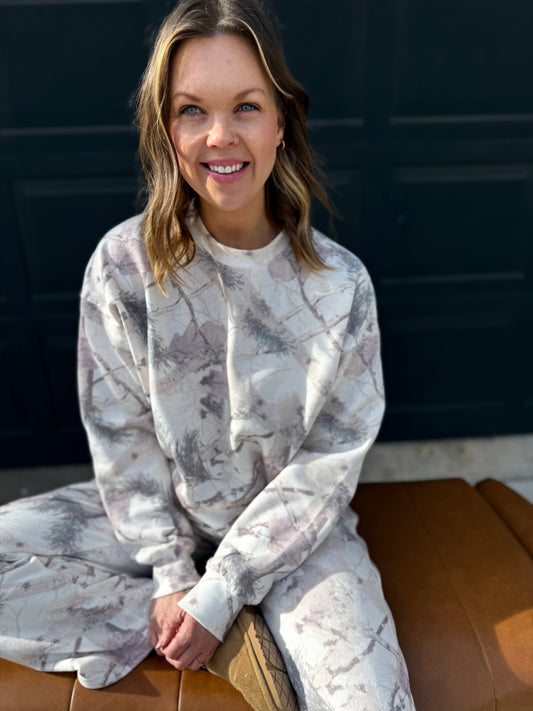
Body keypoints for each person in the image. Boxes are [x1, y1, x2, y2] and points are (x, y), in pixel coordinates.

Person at [0, 1, 415, 708]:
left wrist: (225, 585)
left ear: (281, 123)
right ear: (167, 129)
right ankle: (220, 639)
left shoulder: (339, 286)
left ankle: (233, 615)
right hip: (164, 520)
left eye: (246, 107)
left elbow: (326, 466)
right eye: (192, 110)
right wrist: (174, 582)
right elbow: (123, 437)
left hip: (294, 538)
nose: (220, 135)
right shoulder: (123, 266)